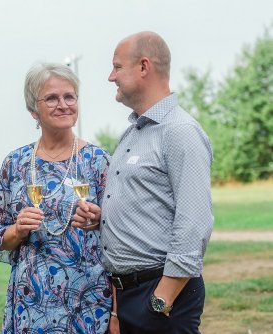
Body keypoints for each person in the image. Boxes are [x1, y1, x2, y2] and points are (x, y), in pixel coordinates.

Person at [74, 31, 213, 333]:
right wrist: (103, 219)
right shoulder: (133, 133)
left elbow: (194, 223)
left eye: (117, 67)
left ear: (144, 66)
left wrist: (161, 300)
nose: (111, 77)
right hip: (125, 296)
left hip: (161, 295)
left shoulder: (179, 132)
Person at [0, 63, 113, 333]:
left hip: (88, 301)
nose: (63, 104)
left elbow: (121, 235)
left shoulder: (99, 161)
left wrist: (101, 220)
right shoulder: (16, 163)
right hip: (31, 303)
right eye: (52, 98)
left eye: (69, 97)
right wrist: (17, 230)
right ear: (33, 110)